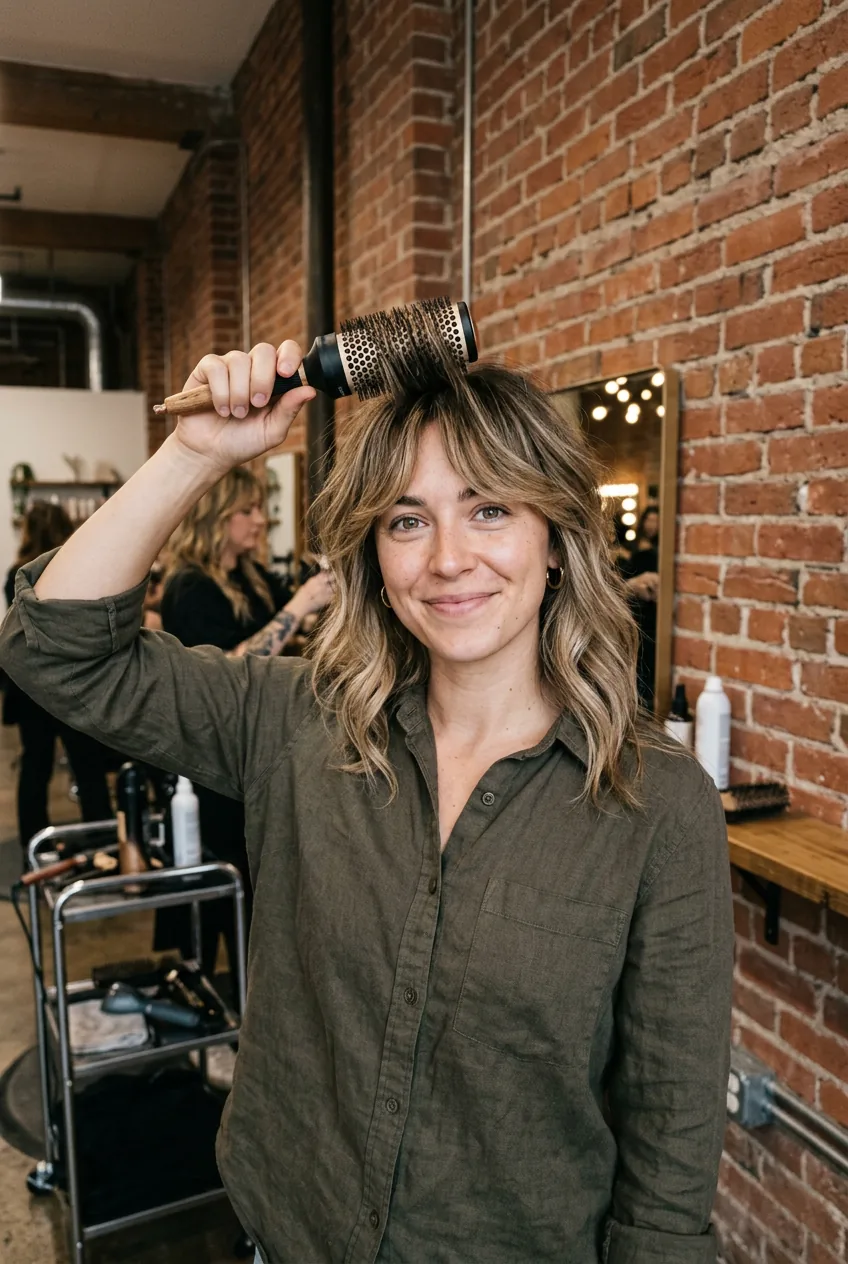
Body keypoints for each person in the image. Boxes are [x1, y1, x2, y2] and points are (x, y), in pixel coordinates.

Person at [0, 327, 733, 1264]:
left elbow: (669, 1162)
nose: (448, 560)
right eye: (407, 519)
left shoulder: (657, 806)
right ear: (378, 562)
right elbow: (51, 652)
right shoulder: (295, 723)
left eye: (491, 509)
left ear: (556, 540)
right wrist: (196, 452)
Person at [154, 466, 332, 973]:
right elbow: (226, 671)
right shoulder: (188, 587)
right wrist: (298, 608)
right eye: (248, 511)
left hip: (259, 752)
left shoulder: (249, 578)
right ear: (216, 516)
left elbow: (282, 637)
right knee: (221, 891)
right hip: (213, 759)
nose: (261, 520)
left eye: (260, 509)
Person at [3, 502, 115, 849]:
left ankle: (34, 846)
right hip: (72, 679)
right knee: (87, 764)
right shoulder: (75, 568)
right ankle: (104, 843)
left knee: (35, 766)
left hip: (32, 681)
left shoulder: (16, 575)